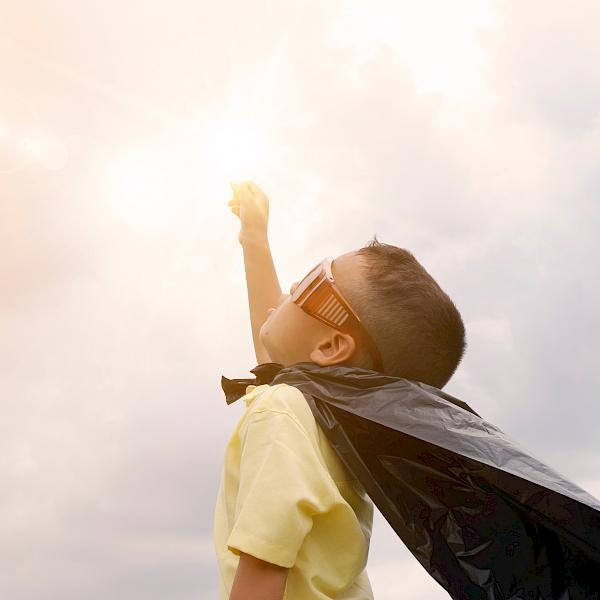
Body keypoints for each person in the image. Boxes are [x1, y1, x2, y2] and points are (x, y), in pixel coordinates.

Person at [213, 180, 467, 600]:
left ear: (331, 345)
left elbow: (263, 566)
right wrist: (254, 240)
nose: (294, 283)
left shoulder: (283, 411)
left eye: (315, 282)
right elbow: (275, 348)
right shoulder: (332, 416)